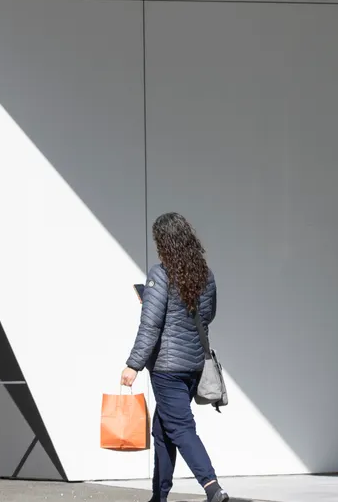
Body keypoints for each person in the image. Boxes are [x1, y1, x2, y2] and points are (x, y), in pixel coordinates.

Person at [122, 213, 228, 502]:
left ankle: (212, 487)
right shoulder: (205, 274)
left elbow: (151, 324)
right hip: (193, 365)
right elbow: (209, 315)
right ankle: (159, 496)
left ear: (163, 243)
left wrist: (134, 364)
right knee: (163, 431)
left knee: (181, 428)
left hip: (167, 369)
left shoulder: (160, 274)